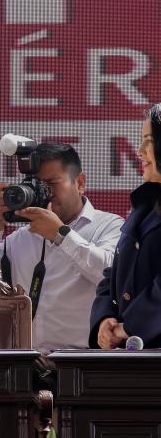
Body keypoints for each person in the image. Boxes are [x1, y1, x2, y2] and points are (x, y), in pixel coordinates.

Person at [0, 143, 124, 355]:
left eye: (52, 183)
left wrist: (60, 234)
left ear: (80, 183)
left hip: (85, 361)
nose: (45, 193)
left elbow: (112, 276)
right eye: (37, 186)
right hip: (26, 362)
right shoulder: (21, 238)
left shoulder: (110, 226)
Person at [90, 103, 161, 349]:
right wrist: (104, 320)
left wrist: (129, 327)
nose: (139, 152)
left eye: (148, 141)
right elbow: (114, 274)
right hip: (132, 357)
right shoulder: (145, 205)